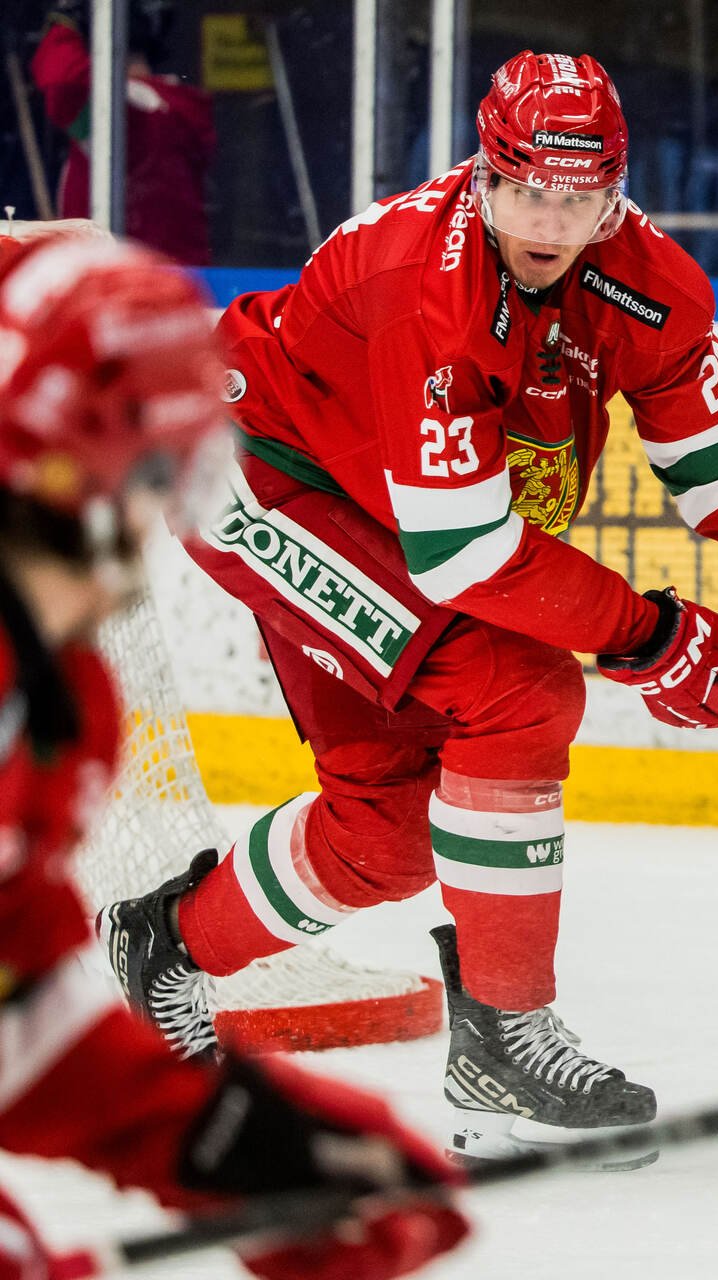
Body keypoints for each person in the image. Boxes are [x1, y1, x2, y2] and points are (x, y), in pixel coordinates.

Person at [99, 51, 718, 1165]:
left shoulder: (640, 277)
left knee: (386, 832)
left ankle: (167, 944)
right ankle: (502, 1035)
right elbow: (467, 554)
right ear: (482, 173)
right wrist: (655, 635)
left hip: (393, 506)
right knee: (519, 693)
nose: (551, 222)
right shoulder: (430, 286)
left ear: (616, 190)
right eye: (526, 191)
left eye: (580, 197)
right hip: (261, 474)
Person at [0, 228, 466, 1280]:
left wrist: (232, 1141)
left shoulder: (57, 699)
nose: (132, 542)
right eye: (123, 483)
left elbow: (15, 1008)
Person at [30, 0, 216, 264]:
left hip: (128, 284)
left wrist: (64, 24)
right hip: (170, 280)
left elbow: (63, 83)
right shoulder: (171, 102)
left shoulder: (124, 104)